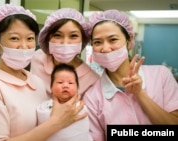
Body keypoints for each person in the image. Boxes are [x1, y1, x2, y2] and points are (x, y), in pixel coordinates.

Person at [0, 4, 87, 141]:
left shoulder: (36, 81)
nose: (24, 46)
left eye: (29, 38)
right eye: (14, 38)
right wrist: (56, 123)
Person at [83, 9, 178, 141]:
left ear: (129, 40)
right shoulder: (92, 96)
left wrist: (140, 94)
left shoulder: (161, 75)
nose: (105, 48)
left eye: (113, 39)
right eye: (97, 42)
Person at [30, 8, 99, 97]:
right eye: (57, 35)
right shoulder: (37, 58)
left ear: (83, 40)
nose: (65, 43)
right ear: (48, 38)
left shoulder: (92, 80)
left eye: (73, 36)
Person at [37, 63, 92, 141]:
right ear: (51, 88)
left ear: (77, 88)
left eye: (70, 83)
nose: (65, 85)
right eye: (60, 82)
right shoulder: (44, 107)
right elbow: (42, 119)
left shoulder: (81, 106)